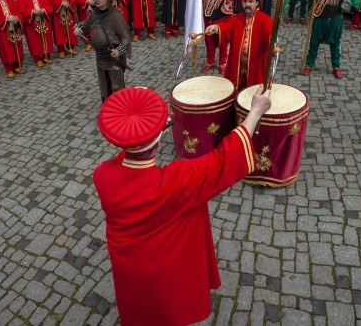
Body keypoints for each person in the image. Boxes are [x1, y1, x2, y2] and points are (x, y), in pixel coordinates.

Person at [92, 84, 271, 325]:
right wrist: (256, 112)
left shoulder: (103, 175)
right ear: (157, 142)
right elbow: (226, 157)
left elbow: (125, 154)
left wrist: (133, 116)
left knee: (140, 307)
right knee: (166, 307)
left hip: (130, 266)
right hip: (166, 268)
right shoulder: (179, 180)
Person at [204, 0, 276, 90]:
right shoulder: (236, 19)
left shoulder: (265, 20)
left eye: (251, 1)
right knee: (236, 95)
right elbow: (227, 27)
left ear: (257, 3)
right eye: (245, 1)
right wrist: (216, 28)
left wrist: (271, 37)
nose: (247, 4)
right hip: (236, 67)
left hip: (255, 68)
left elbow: (268, 31)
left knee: (253, 94)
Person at [74, 0, 131, 101]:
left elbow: (125, 37)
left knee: (117, 86)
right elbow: (85, 24)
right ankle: (107, 109)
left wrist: (119, 50)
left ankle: (121, 110)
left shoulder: (115, 16)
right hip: (100, 57)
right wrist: (78, 28)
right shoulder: (94, 14)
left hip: (113, 57)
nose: (96, 0)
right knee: (104, 86)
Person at [17, 0, 54, 67]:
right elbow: (21, 10)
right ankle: (37, 58)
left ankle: (47, 56)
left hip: (43, 21)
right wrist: (32, 11)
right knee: (34, 41)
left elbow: (49, 6)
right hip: (32, 23)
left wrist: (44, 10)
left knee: (46, 39)